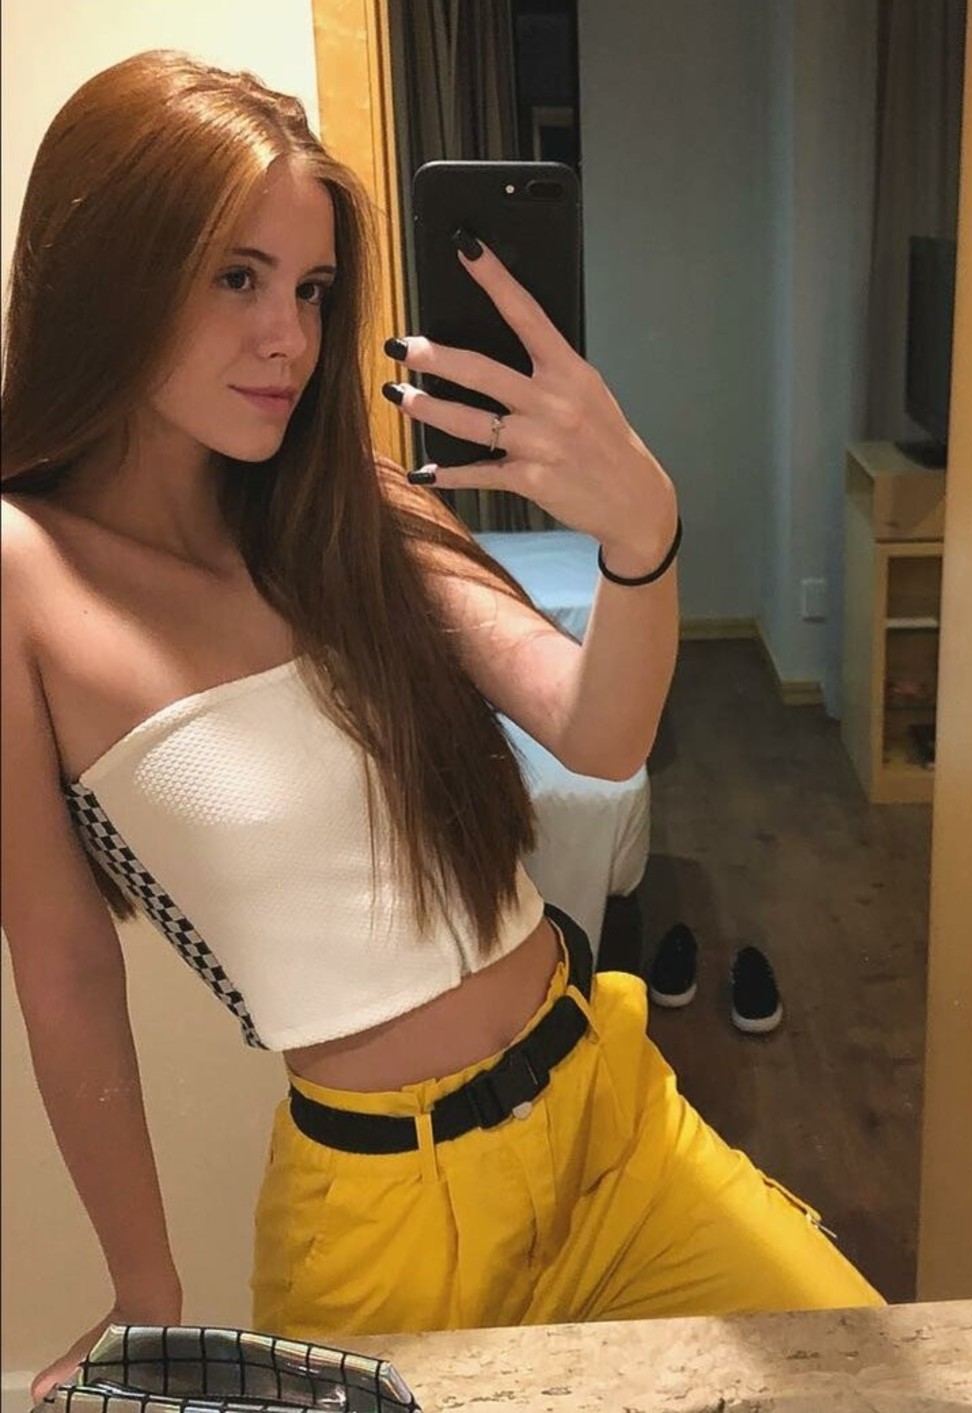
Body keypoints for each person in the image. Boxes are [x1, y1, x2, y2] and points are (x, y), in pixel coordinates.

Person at [1, 49, 882, 1404]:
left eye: (310, 289)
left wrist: (642, 534)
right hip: (383, 1219)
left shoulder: (343, 505)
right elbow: (63, 966)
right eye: (236, 277)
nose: (289, 337)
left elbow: (598, 734)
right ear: (110, 265)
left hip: (607, 1123)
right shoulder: (25, 575)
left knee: (870, 1370)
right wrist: (147, 1294)